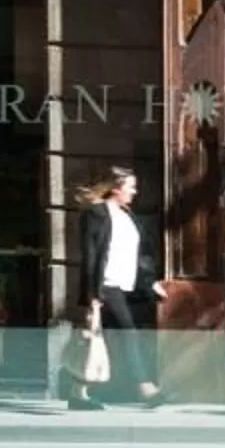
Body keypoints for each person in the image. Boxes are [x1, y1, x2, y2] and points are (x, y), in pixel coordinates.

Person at [68, 166, 162, 409]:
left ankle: (78, 393)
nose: (135, 191)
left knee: (96, 338)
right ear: (116, 189)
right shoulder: (96, 214)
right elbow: (91, 255)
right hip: (106, 286)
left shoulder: (126, 215)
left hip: (125, 285)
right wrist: (91, 294)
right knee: (127, 334)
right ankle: (144, 387)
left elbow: (136, 255)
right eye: (130, 186)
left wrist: (149, 283)